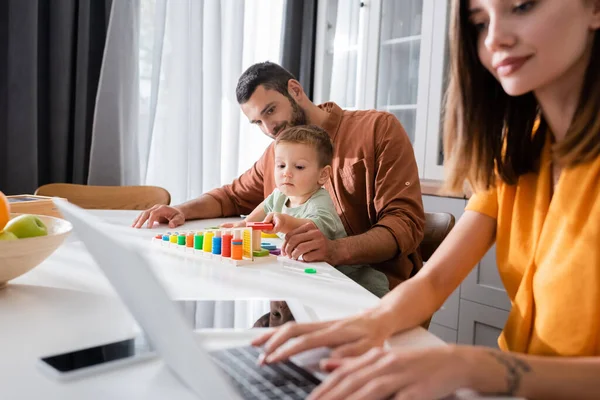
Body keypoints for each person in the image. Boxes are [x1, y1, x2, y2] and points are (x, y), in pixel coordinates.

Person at [251, 1, 600, 399]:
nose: (494, 39)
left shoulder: (377, 127)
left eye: (521, 6)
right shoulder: (516, 151)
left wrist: (474, 365)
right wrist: (367, 324)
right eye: (479, 22)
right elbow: (435, 280)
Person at [132, 61, 425, 289]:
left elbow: (405, 224)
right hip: (302, 284)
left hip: (373, 290)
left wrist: (334, 250)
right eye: (258, 121)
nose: (269, 128)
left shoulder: (376, 129)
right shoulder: (278, 152)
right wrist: (179, 210)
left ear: (295, 90)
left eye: (271, 110)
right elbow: (231, 197)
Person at [225, 125, 389, 297]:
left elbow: (313, 228)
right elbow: (264, 208)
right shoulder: (279, 195)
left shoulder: (319, 201)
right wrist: (244, 224)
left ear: (323, 175)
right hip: (316, 275)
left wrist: (285, 223)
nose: (286, 173)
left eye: (299, 167)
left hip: (350, 278)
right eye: (281, 165)